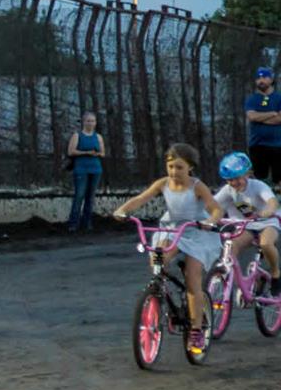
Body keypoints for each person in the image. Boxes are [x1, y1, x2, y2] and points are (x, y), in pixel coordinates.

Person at [113, 143, 222, 354]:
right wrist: (123, 210)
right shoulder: (163, 183)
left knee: (193, 279)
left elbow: (216, 208)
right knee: (158, 259)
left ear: (190, 167)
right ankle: (158, 291)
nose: (174, 172)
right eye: (170, 166)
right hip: (171, 230)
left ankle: (197, 330)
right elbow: (141, 198)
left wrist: (211, 221)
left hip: (195, 232)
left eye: (179, 167)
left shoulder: (197, 186)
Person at [214, 151, 281, 295]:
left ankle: (276, 273)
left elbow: (272, 202)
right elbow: (212, 205)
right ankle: (234, 280)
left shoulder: (258, 186)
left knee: (265, 243)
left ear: (247, 174)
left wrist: (267, 212)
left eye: (237, 178)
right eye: (229, 180)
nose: (233, 183)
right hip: (246, 226)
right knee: (231, 246)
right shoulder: (228, 190)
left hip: (268, 222)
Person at [66, 111, 105, 232]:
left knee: (90, 196)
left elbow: (103, 153)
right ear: (83, 122)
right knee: (79, 195)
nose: (90, 123)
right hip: (81, 169)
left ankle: (87, 223)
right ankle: (73, 223)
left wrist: (97, 153)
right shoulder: (77, 136)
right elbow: (71, 151)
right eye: (88, 121)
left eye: (93, 121)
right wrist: (86, 153)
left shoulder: (98, 137)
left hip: (95, 169)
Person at [245, 67, 281, 186]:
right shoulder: (252, 99)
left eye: (264, 77)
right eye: (258, 78)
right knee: (260, 181)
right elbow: (252, 117)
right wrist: (272, 113)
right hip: (257, 145)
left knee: (279, 180)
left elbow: (279, 119)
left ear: (271, 80)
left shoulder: (279, 98)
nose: (261, 80)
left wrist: (260, 118)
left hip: (278, 145)